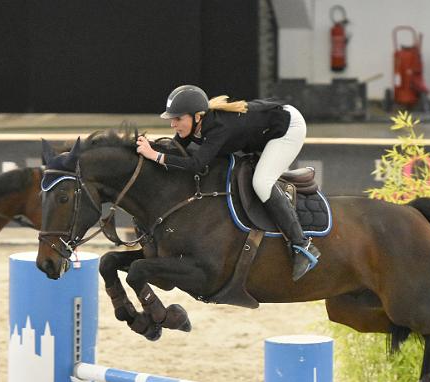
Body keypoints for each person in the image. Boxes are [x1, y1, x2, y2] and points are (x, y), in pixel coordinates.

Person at [136, 84, 321, 281]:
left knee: (261, 182)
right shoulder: (195, 123)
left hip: (287, 128)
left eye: (178, 118)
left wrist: (154, 155)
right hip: (265, 129)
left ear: (197, 116)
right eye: (172, 118)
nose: (173, 124)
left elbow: (196, 164)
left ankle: (302, 245)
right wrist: (145, 149)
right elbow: (174, 150)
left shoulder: (219, 127)